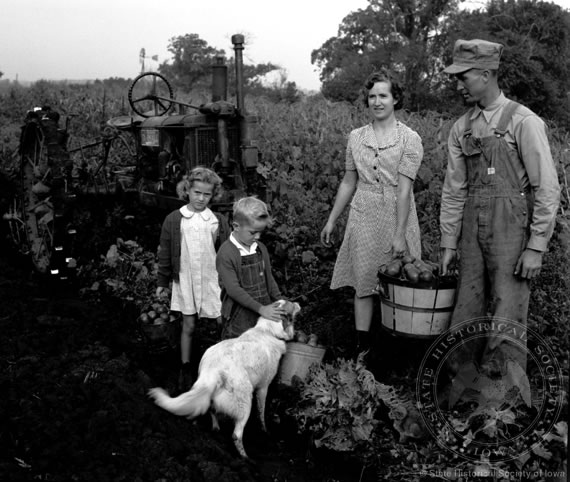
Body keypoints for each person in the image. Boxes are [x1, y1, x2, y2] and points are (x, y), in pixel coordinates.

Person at [439, 39, 561, 378]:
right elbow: (454, 190)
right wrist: (449, 242)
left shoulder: (523, 121)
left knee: (506, 313)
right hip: (471, 233)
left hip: (511, 231)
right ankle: (459, 393)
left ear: (486, 73)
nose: (458, 84)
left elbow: (547, 187)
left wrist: (536, 246)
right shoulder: (461, 128)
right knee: (466, 310)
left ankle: (501, 406)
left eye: (464, 77)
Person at [320, 69, 424, 355]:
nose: (377, 102)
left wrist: (400, 234)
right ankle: (362, 351)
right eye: (372, 96)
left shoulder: (410, 139)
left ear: (395, 99)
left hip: (397, 213)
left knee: (402, 282)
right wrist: (332, 220)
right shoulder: (356, 137)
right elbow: (348, 181)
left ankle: (400, 352)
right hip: (363, 214)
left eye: (383, 96)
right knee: (364, 284)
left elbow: (404, 190)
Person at [156, 167, 230, 390]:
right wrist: (162, 281)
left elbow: (226, 251)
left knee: (221, 320)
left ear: (213, 195)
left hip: (211, 279)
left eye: (207, 194)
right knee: (188, 324)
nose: (201, 198)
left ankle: (224, 363)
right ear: (187, 190)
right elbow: (165, 252)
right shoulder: (174, 220)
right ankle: (186, 367)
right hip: (186, 278)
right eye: (197, 192)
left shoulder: (216, 221)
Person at [216, 196, 286, 339]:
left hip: (264, 310)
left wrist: (279, 302)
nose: (258, 237)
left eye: (261, 232)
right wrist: (261, 309)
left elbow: (269, 278)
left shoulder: (260, 249)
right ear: (236, 226)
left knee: (263, 346)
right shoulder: (227, 253)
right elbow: (233, 290)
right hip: (239, 315)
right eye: (253, 232)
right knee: (239, 350)